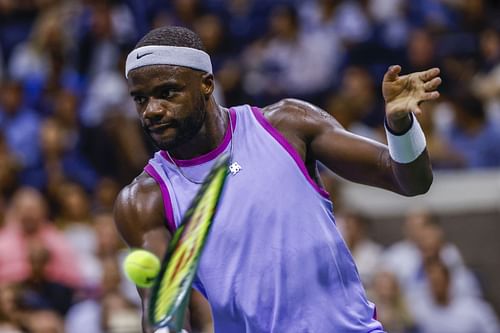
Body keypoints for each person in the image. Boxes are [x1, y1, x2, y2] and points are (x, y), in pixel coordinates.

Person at [114, 26, 441, 333]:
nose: (151, 110)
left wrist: (400, 125)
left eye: (166, 92)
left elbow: (411, 181)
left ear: (206, 84)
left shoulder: (288, 124)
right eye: (140, 99)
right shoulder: (144, 200)